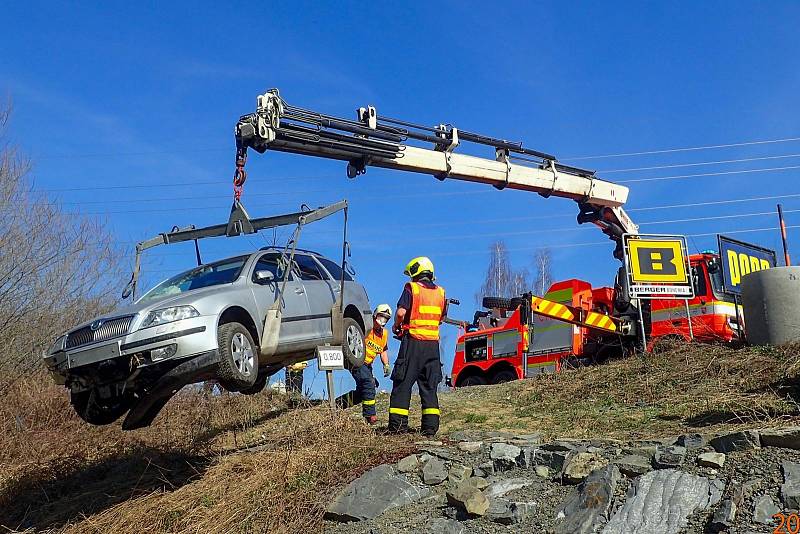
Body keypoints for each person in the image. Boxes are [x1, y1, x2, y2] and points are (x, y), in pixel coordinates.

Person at [389, 256, 447, 436]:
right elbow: (442, 318)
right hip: (433, 346)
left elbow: (400, 312)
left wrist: (396, 325)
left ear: (415, 272)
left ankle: (398, 428)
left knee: (402, 383)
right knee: (429, 386)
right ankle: (430, 428)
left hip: (413, 342)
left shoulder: (411, 288)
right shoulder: (441, 293)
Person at [351, 304, 393, 424]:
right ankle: (370, 415)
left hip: (368, 365)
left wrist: (386, 365)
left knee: (362, 392)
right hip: (357, 360)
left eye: (386, 318)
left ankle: (338, 405)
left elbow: (383, 350)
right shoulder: (366, 327)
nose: (383, 320)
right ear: (375, 315)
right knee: (369, 382)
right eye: (381, 316)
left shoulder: (384, 334)